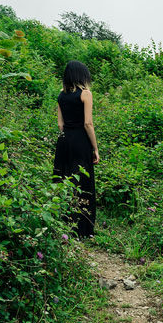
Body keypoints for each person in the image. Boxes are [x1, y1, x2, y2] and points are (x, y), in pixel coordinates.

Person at [53, 60, 100, 238]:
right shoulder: (85, 94)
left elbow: (60, 124)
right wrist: (95, 148)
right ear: (82, 75)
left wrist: (67, 136)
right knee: (83, 181)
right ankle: (82, 230)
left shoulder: (61, 95)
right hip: (80, 141)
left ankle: (62, 224)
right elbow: (88, 123)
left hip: (64, 140)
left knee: (64, 178)